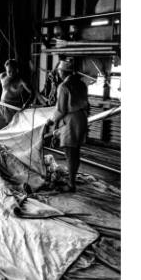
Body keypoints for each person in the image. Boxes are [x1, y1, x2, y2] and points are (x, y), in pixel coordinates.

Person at [47, 58, 89, 192]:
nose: (58, 74)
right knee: (75, 152)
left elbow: (61, 110)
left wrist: (51, 121)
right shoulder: (82, 84)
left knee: (70, 153)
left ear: (63, 72)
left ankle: (71, 185)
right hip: (82, 117)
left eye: (59, 71)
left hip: (71, 119)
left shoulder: (64, 86)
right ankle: (72, 179)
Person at [0, 59, 32, 130]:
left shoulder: (21, 80)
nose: (11, 73)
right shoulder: (3, 76)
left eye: (13, 71)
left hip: (13, 108)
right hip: (1, 106)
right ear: (6, 69)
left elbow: (32, 93)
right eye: (9, 71)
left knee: (11, 132)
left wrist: (26, 104)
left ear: (17, 69)